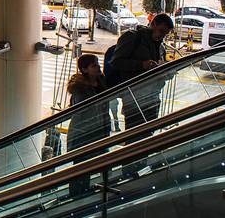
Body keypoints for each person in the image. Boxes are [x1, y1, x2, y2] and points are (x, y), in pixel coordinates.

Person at [109, 13, 174, 133]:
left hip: (153, 98)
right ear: (153, 24)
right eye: (161, 31)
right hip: (134, 99)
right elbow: (115, 62)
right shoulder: (133, 38)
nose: (162, 36)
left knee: (148, 137)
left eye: (165, 34)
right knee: (135, 137)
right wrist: (141, 65)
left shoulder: (160, 47)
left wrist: (166, 72)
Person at [66, 54, 111, 196]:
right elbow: (85, 110)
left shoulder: (101, 81)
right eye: (94, 65)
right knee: (81, 167)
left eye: (97, 64)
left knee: (97, 164)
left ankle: (88, 192)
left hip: (100, 130)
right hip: (84, 133)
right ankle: (77, 195)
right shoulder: (79, 89)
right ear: (84, 70)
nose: (98, 67)